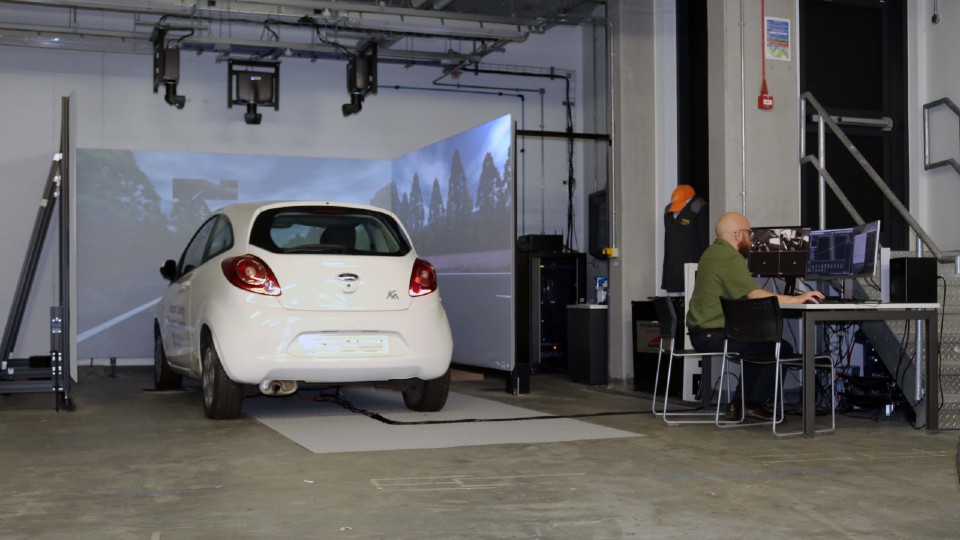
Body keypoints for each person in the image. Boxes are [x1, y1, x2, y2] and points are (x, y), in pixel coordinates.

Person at [685, 211, 824, 421]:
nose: (752, 240)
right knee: (778, 347)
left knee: (759, 344)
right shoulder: (729, 257)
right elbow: (753, 295)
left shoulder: (712, 253)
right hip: (712, 335)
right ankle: (753, 404)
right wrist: (798, 299)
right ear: (738, 235)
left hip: (702, 333)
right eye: (750, 234)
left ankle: (738, 405)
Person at [661, 184, 709, 294]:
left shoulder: (699, 207)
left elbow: (704, 239)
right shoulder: (668, 210)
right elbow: (667, 242)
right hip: (673, 268)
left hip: (692, 265)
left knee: (690, 302)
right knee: (673, 304)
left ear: (689, 199)